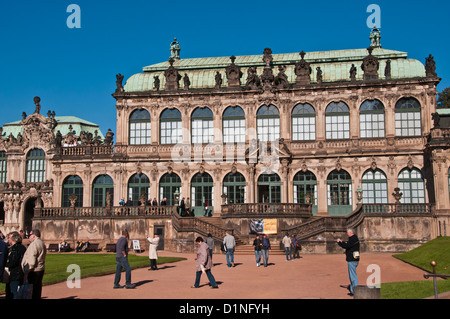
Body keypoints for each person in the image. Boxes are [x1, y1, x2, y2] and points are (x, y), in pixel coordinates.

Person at [21, 229, 47, 299]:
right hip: (40, 269)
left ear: (34, 236)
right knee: (37, 290)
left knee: (32, 291)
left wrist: (26, 272)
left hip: (34, 270)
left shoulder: (34, 244)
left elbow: (31, 261)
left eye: (30, 235)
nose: (28, 237)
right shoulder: (41, 243)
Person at [337, 228, 360, 296]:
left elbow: (346, 246)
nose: (347, 234)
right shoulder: (354, 238)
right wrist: (342, 242)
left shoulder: (353, 238)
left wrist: (339, 242)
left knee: (353, 276)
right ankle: (354, 290)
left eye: (348, 232)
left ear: (350, 232)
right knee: (353, 275)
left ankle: (355, 292)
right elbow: (348, 244)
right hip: (354, 259)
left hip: (352, 259)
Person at [5, 231, 26, 299]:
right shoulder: (22, 247)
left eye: (10, 238)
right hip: (20, 272)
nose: (9, 239)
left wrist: (6, 264)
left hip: (15, 273)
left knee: (13, 291)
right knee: (16, 290)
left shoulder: (15, 248)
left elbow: (13, 261)